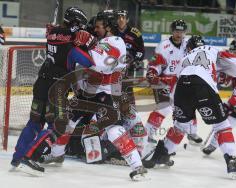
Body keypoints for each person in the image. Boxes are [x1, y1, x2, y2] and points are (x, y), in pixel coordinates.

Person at [40, 10, 147, 180]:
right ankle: (57, 154)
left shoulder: (116, 41)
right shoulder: (104, 40)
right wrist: (57, 34)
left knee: (112, 128)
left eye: (98, 26)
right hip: (89, 93)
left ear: (109, 27)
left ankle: (137, 165)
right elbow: (84, 49)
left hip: (105, 93)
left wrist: (88, 43)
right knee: (67, 122)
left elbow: (100, 63)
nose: (95, 29)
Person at [144, 35, 236, 178]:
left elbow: (175, 84)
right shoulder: (213, 49)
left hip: (182, 88)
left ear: (188, 48)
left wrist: (177, 109)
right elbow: (235, 63)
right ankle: (232, 161)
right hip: (203, 86)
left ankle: (162, 155)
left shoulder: (184, 59)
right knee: (221, 125)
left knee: (180, 126)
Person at [10, 7, 91, 173]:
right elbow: (88, 62)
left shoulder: (52, 34)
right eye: (81, 25)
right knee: (57, 125)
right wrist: (88, 45)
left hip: (41, 83)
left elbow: (57, 35)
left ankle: (17, 157)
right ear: (75, 24)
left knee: (34, 122)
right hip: (56, 88)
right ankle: (31, 156)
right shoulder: (71, 46)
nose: (83, 29)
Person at [145, 19, 202, 150]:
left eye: (181, 31)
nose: (179, 34)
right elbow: (155, 64)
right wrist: (152, 72)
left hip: (181, 83)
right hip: (164, 82)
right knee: (163, 108)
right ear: (172, 31)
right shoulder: (163, 46)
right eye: (176, 31)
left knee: (187, 107)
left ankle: (191, 132)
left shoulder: (188, 45)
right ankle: (148, 133)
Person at [202, 36, 236, 155]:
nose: (233, 54)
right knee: (226, 124)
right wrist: (223, 76)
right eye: (232, 52)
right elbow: (228, 82)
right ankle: (213, 144)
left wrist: (229, 104)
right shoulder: (235, 64)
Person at [117, 10, 145, 105]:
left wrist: (135, 60)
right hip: (112, 66)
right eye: (119, 17)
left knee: (128, 89)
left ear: (127, 19)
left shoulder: (135, 33)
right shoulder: (111, 31)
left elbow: (141, 50)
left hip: (128, 67)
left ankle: (131, 113)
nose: (121, 20)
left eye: (123, 17)